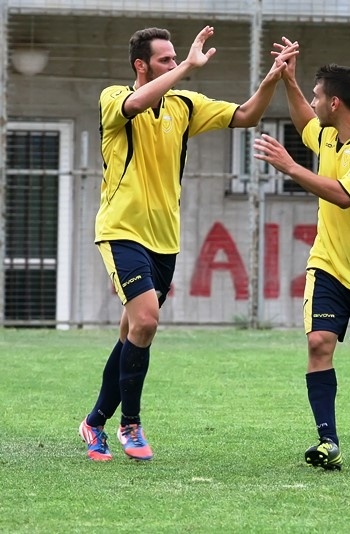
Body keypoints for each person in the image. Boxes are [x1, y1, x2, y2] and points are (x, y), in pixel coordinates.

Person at [77, 26, 298, 461]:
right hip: (121, 229)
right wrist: (186, 70)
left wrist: (273, 77)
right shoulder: (112, 98)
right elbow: (137, 102)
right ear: (140, 65)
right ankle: (131, 425)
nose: (175, 63)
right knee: (146, 320)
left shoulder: (184, 105)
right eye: (165, 59)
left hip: (165, 239)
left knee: (133, 332)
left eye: (175, 58)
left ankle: (94, 422)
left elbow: (247, 116)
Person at [253, 38, 350, 471]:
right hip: (328, 266)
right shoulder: (333, 133)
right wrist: (291, 81)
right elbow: (305, 126)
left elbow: (342, 196)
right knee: (319, 344)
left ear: (335, 102)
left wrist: (291, 167)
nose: (313, 103)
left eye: (319, 96)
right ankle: (328, 441)